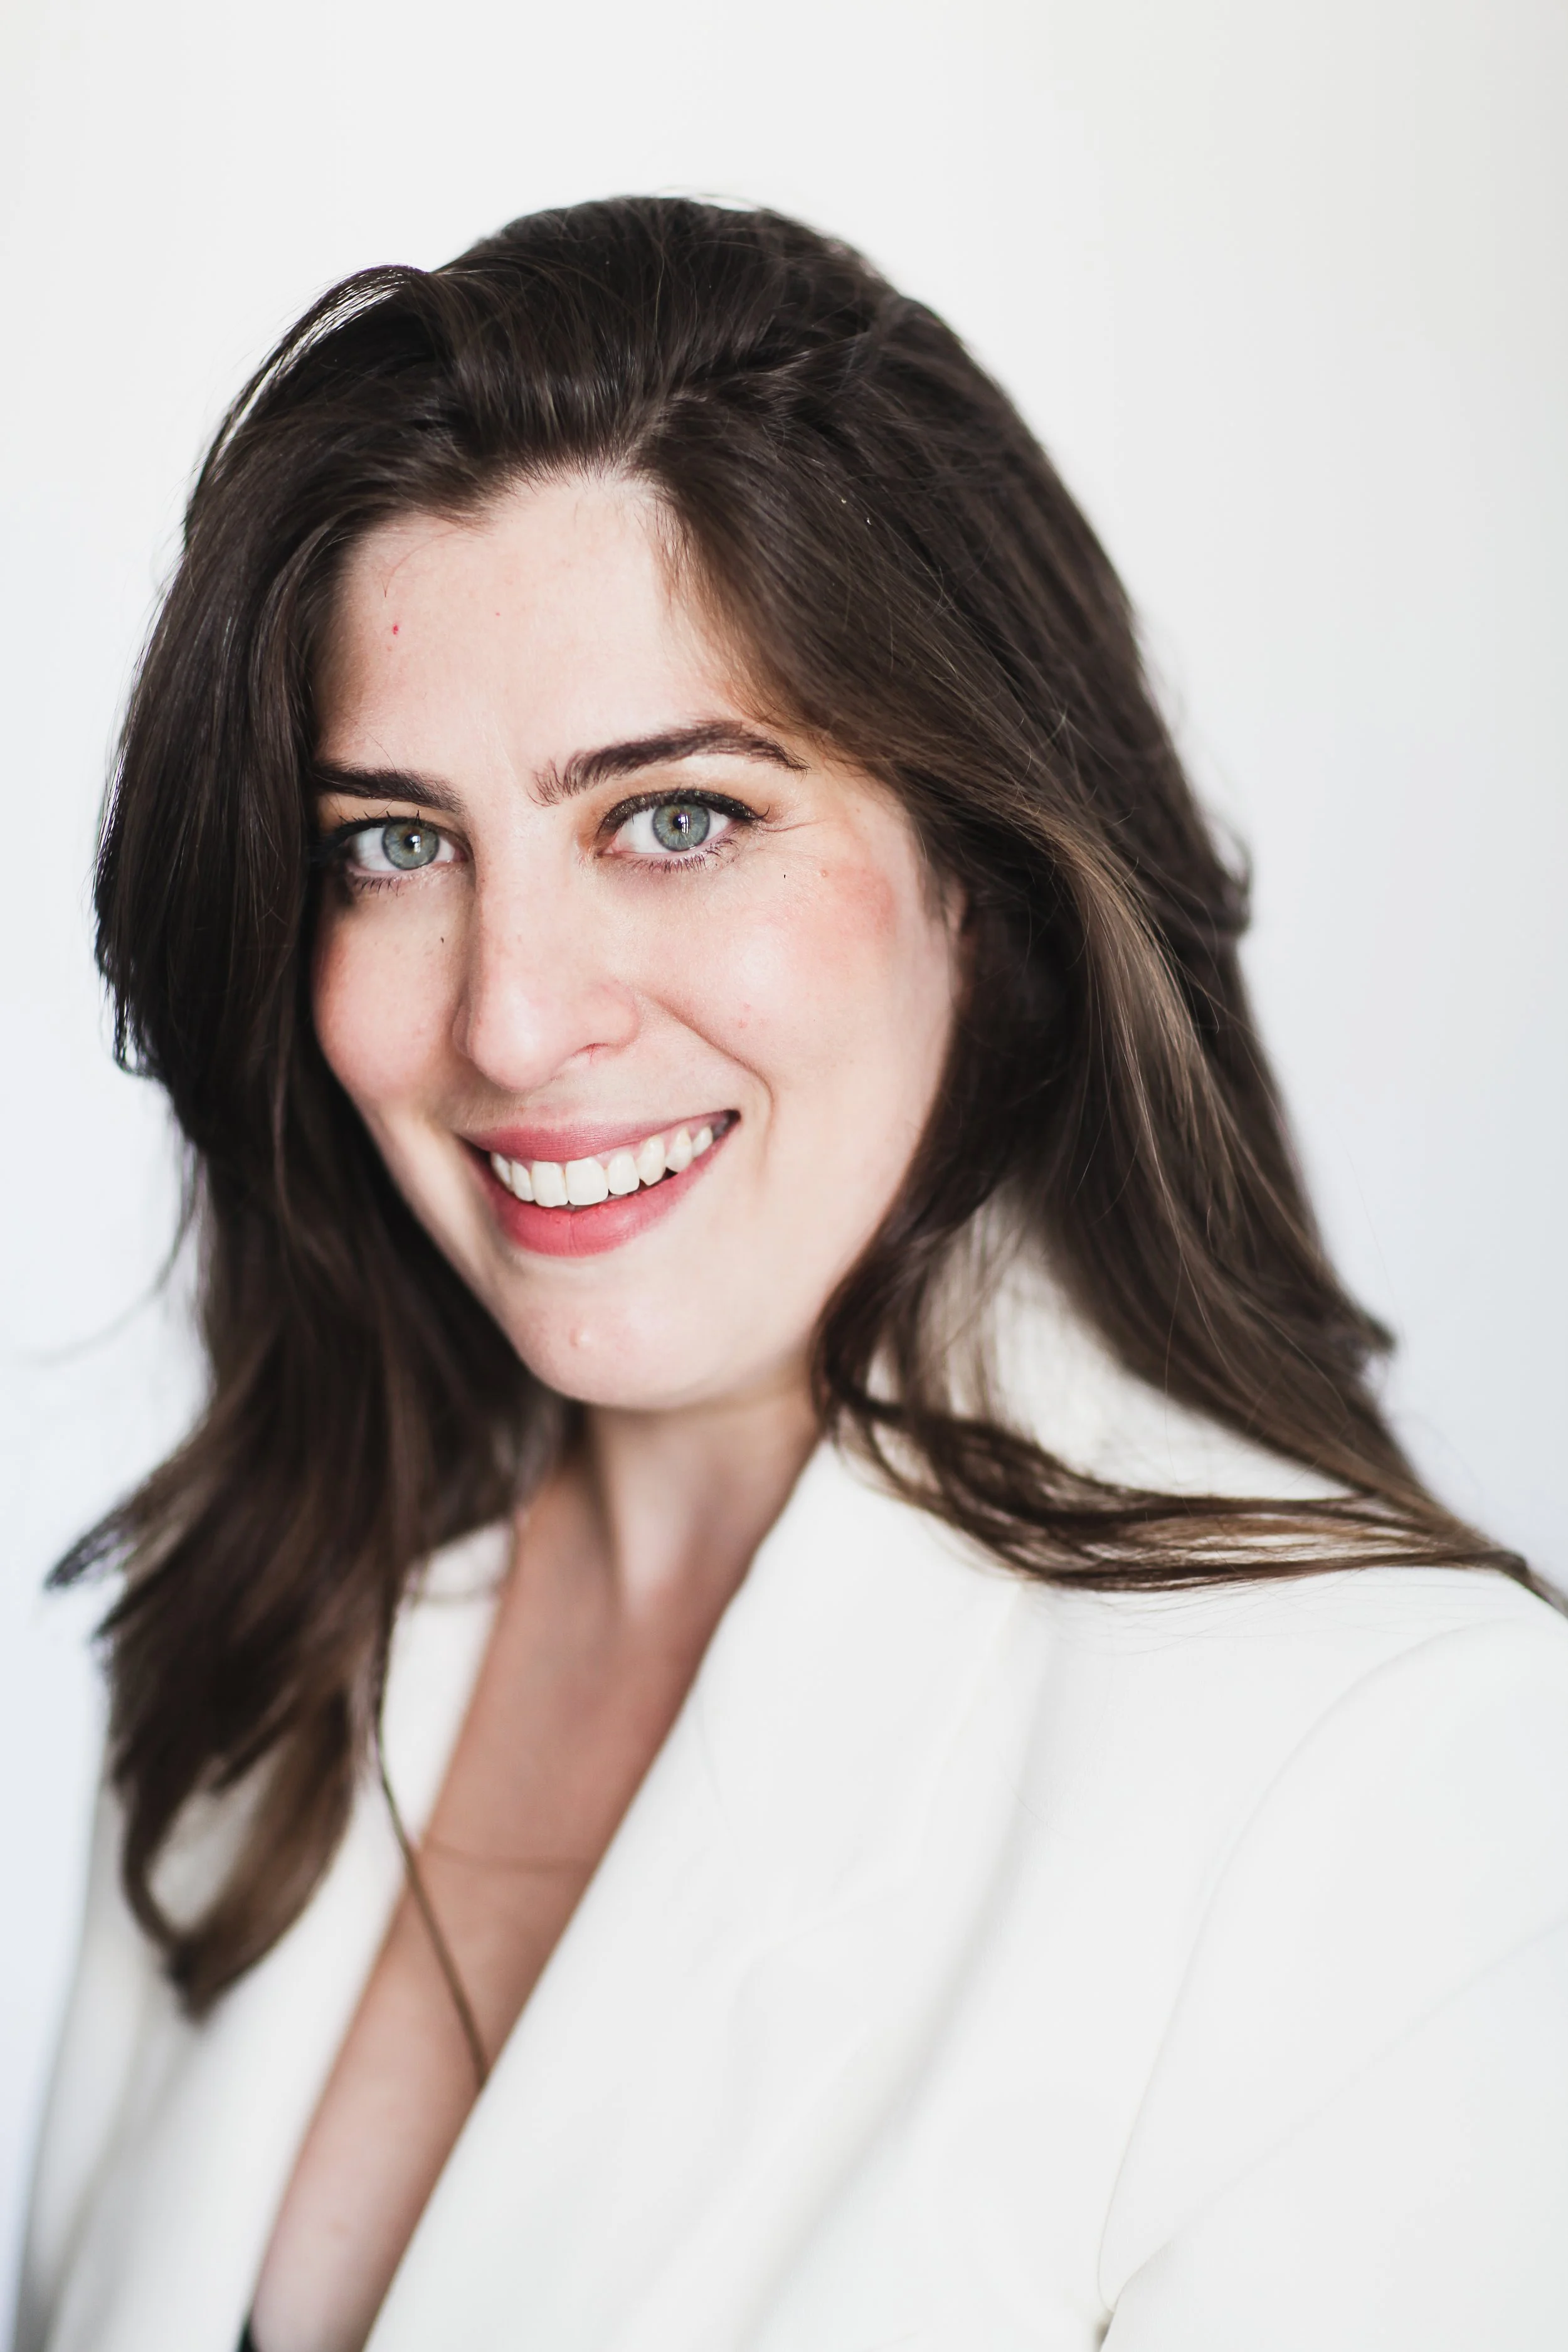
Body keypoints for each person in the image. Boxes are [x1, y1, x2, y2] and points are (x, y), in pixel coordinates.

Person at [15, 198, 1568, 2352]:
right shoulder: (270, 1629)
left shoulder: (1378, 1779)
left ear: (978, 873)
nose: (510, 1020)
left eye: (674, 817)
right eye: (395, 842)